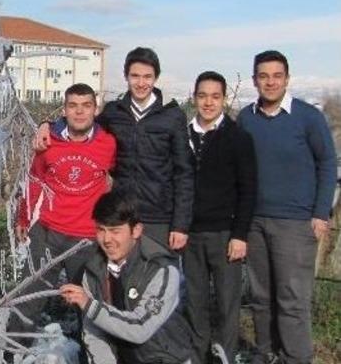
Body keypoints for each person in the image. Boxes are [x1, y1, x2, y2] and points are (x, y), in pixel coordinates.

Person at [35, 47, 193, 250]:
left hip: (159, 217)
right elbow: (82, 122)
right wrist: (47, 124)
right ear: (126, 76)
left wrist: (180, 225)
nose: (141, 83)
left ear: (156, 78)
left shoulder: (172, 116)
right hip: (122, 214)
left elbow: (184, 173)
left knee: (158, 276)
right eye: (135, 76)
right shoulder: (114, 112)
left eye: (147, 77)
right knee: (121, 278)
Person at [236, 50, 337, 364]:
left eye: (276, 76)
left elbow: (328, 162)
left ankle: (296, 357)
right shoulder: (246, 118)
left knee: (292, 300)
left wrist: (321, 212)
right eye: (263, 76)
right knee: (261, 298)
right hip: (254, 222)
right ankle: (267, 353)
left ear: (287, 79)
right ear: (255, 80)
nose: (270, 82)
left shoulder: (308, 116)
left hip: (295, 224)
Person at [7, 83, 116, 347]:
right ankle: (10, 351)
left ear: (96, 109)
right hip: (48, 232)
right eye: (73, 106)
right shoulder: (48, 142)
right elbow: (34, 180)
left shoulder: (108, 144)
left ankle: (92, 354)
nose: (79, 112)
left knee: (92, 303)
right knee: (29, 296)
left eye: (86, 106)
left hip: (88, 239)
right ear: (64, 110)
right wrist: (23, 217)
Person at [60, 189, 194, 364]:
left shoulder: (162, 270)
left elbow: (140, 328)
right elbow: (93, 334)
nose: (107, 239)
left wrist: (90, 305)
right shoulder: (93, 271)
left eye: (115, 231)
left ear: (136, 230)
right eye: (101, 230)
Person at [182, 71, 256, 364]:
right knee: (195, 304)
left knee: (228, 305)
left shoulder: (238, 138)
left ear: (223, 99)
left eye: (215, 96)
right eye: (202, 96)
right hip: (190, 236)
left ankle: (226, 356)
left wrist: (240, 235)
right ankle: (198, 357)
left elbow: (248, 190)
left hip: (226, 235)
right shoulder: (183, 135)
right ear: (194, 97)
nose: (208, 102)